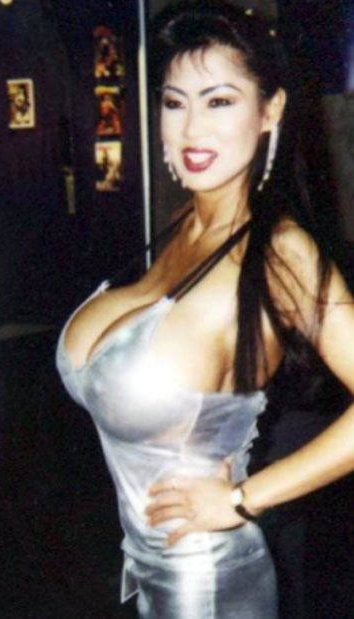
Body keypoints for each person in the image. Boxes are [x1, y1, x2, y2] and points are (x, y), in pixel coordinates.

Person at [56, 1, 354, 617]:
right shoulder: (180, 228)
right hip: (148, 569)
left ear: (270, 110)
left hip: (208, 585)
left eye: (219, 101)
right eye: (175, 102)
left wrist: (244, 498)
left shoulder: (279, 252)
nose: (192, 128)